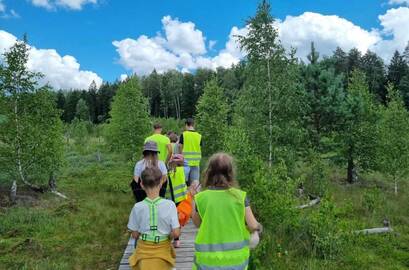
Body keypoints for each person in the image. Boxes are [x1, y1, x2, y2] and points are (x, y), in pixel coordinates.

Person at [191, 153, 262, 270]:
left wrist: (193, 199)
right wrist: (259, 228)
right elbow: (253, 225)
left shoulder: (202, 198)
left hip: (207, 262)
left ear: (209, 172)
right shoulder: (240, 197)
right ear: (230, 173)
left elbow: (197, 223)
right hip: (235, 262)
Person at [127, 167, 180, 270]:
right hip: (163, 250)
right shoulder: (170, 205)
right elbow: (176, 233)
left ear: (141, 185)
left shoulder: (137, 207)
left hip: (143, 252)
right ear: (161, 183)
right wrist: (170, 236)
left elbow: (134, 235)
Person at [167, 132, 188, 248]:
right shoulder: (184, 171)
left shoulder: (168, 171)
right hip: (181, 198)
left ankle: (170, 237)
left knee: (170, 218)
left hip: (170, 198)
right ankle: (177, 240)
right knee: (177, 219)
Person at [179, 118, 202, 188]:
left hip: (186, 162)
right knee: (195, 186)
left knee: (184, 184)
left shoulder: (183, 135)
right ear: (193, 125)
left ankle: (185, 198)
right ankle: (194, 198)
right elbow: (199, 148)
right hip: (196, 162)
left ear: (186, 125)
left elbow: (180, 147)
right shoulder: (199, 136)